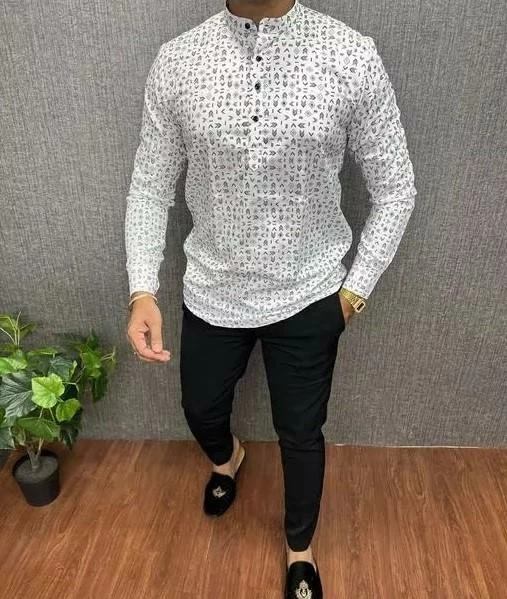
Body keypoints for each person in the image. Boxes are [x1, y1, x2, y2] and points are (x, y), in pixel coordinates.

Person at [125, 1, 417, 596]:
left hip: (311, 293)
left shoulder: (349, 56)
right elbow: (150, 187)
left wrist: (353, 294)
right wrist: (141, 288)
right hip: (213, 289)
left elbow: (396, 187)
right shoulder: (178, 61)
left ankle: (299, 549)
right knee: (200, 408)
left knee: (301, 433)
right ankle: (227, 458)